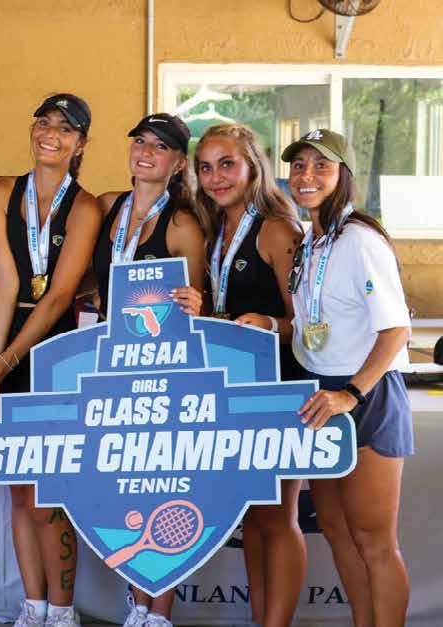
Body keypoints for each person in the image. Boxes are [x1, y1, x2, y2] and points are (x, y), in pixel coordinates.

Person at [0, 94, 102, 627]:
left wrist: (8, 358)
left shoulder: (85, 208)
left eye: (65, 129)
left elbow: (60, 294)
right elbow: (5, 277)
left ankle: (63, 610)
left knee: (50, 492)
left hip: (56, 348)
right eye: (44, 123)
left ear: (80, 145)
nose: (51, 134)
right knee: (19, 489)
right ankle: (33, 605)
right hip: (7, 341)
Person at [284, 129, 413, 627]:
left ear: (344, 175)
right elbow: (314, 323)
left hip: (364, 393)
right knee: (337, 531)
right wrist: (272, 324)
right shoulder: (311, 241)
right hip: (322, 392)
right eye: (299, 165)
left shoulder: (360, 239)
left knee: (374, 542)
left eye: (322, 166)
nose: (307, 175)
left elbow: (396, 331)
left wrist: (351, 394)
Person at [94, 114, 207, 627]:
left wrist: (194, 303)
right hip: (111, 369)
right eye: (139, 141)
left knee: (163, 486)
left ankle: (157, 611)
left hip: (163, 377)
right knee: (126, 487)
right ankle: (136, 605)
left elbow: (198, 307)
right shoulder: (108, 207)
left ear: (179, 163)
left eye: (159, 147)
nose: (145, 152)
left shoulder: (181, 224)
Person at [194, 123, 305, 627]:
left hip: (279, 391)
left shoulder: (276, 230)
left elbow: (310, 324)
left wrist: (271, 324)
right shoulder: (213, 231)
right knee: (256, 520)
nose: (215, 177)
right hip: (235, 392)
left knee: (278, 519)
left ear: (253, 167)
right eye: (205, 167)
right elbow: (228, 318)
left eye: (227, 164)